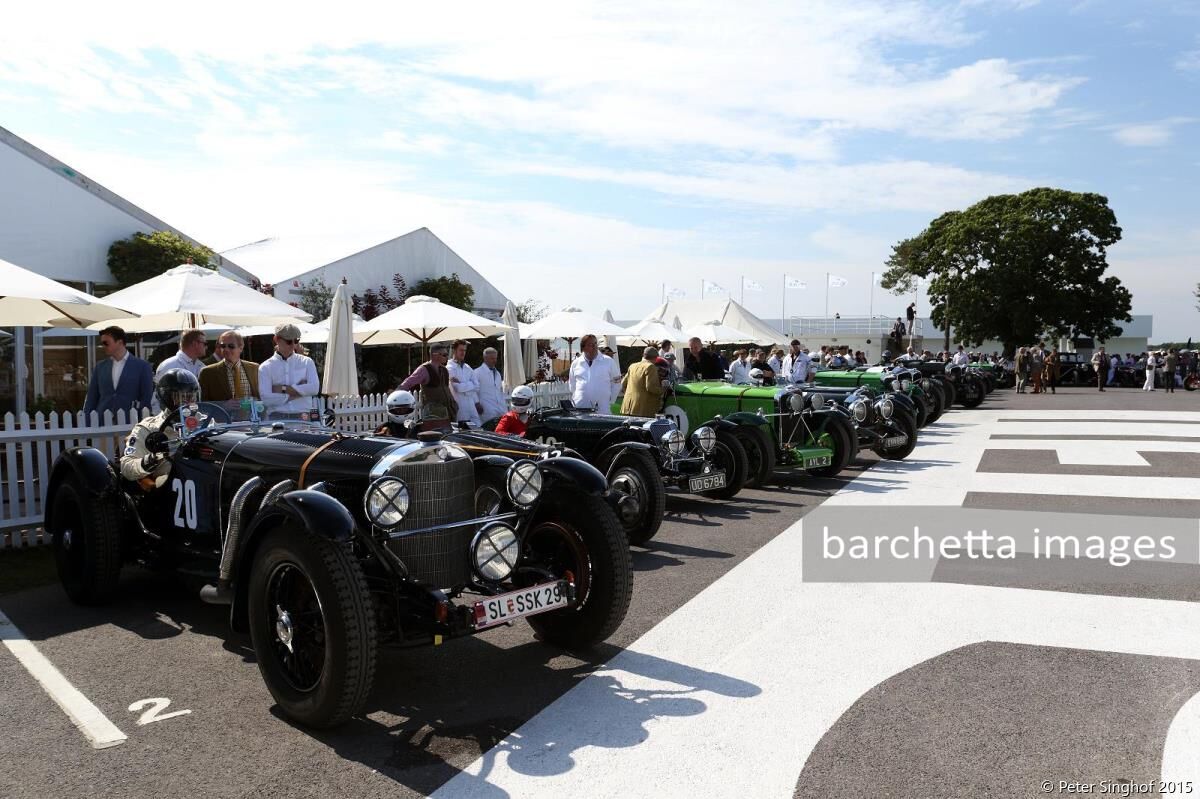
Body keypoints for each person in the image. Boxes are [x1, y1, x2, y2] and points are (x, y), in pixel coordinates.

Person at [119, 369, 200, 488]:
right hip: (171, 487)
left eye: (191, 396)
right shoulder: (148, 428)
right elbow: (127, 466)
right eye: (181, 397)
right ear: (166, 397)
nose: (188, 402)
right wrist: (152, 459)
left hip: (205, 479)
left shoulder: (205, 422)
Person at [84, 325, 154, 418]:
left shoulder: (142, 366)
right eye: (102, 343)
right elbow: (91, 397)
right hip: (102, 422)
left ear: (120, 342)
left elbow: (146, 398)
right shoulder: (100, 367)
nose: (102, 346)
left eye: (106, 343)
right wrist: (88, 420)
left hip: (131, 421)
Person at [258, 323, 319, 419]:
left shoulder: (307, 362)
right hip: (277, 418)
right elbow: (266, 399)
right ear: (276, 339)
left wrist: (283, 389)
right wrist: (299, 392)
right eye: (289, 341)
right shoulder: (265, 367)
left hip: (304, 418)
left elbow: (314, 388)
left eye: (296, 341)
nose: (293, 345)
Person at [399, 342, 458, 420]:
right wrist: (396, 393)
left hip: (450, 412)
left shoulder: (444, 370)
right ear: (435, 355)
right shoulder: (424, 369)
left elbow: (447, 389)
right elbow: (409, 382)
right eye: (444, 355)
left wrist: (454, 405)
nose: (447, 357)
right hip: (434, 414)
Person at [199, 331, 259, 404]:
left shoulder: (255, 368)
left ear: (241, 348)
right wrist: (224, 406)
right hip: (222, 415)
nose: (226, 349)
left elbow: (261, 396)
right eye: (223, 346)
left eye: (231, 346)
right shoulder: (207, 373)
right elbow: (203, 404)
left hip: (252, 415)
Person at [569, 334, 621, 410]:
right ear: (583, 348)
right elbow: (572, 385)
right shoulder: (576, 363)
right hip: (580, 407)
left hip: (602, 408)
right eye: (591, 345)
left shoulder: (608, 361)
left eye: (595, 343)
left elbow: (617, 383)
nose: (595, 347)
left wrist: (610, 400)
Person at [620, 346, 665, 415]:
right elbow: (651, 387)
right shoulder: (650, 367)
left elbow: (623, 384)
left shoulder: (632, 366)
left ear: (643, 355)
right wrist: (663, 390)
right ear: (655, 358)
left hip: (627, 406)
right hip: (642, 409)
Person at [448, 339, 482, 426]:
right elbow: (456, 388)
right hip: (459, 405)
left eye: (464, 350)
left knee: (477, 426)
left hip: (471, 404)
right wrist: (471, 385)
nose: (463, 353)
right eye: (461, 350)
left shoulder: (468, 367)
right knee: (462, 430)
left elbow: (477, 386)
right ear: (454, 350)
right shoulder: (449, 368)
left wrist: (463, 386)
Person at [473, 347, 507, 424]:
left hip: (500, 409)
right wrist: (477, 404)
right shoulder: (477, 373)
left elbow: (500, 391)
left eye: (495, 358)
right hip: (486, 410)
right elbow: (474, 391)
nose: (494, 361)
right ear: (485, 358)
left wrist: (504, 407)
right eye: (492, 358)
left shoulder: (497, 374)